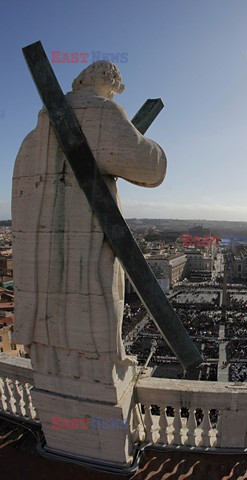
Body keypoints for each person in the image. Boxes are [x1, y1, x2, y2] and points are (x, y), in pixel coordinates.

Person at [12, 61, 166, 380]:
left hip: (42, 282)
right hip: (88, 252)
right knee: (98, 299)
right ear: (112, 85)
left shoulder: (30, 141)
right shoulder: (102, 113)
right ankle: (100, 368)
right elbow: (150, 167)